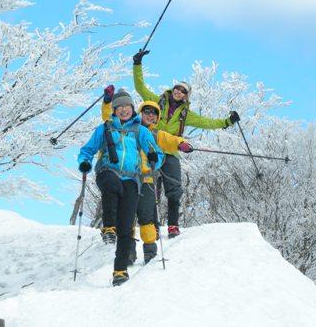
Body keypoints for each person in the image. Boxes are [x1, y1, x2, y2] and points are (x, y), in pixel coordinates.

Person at [133, 49, 240, 238]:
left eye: (183, 91)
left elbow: (207, 122)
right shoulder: (157, 101)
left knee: (174, 189)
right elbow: (140, 86)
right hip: (151, 150)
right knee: (151, 189)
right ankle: (153, 225)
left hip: (172, 153)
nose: (178, 91)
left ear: (186, 96)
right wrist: (137, 64)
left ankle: (173, 225)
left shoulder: (186, 115)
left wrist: (226, 122)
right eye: (177, 88)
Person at [78, 88, 164, 286]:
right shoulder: (104, 128)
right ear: (114, 110)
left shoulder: (140, 131)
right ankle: (108, 227)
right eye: (120, 107)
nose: (124, 110)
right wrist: (84, 162)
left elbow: (156, 153)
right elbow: (87, 150)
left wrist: (154, 158)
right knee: (112, 184)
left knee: (126, 226)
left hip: (132, 180)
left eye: (127, 106)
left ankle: (120, 270)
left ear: (132, 109)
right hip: (108, 172)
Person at [101, 85, 192, 264]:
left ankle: (150, 251)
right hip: (128, 179)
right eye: (147, 112)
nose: (150, 116)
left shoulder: (157, 134)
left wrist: (181, 143)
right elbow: (107, 118)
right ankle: (128, 252)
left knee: (147, 217)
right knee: (127, 218)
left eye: (154, 113)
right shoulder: (126, 129)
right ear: (140, 113)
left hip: (147, 181)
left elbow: (170, 140)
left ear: (158, 118)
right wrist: (107, 102)